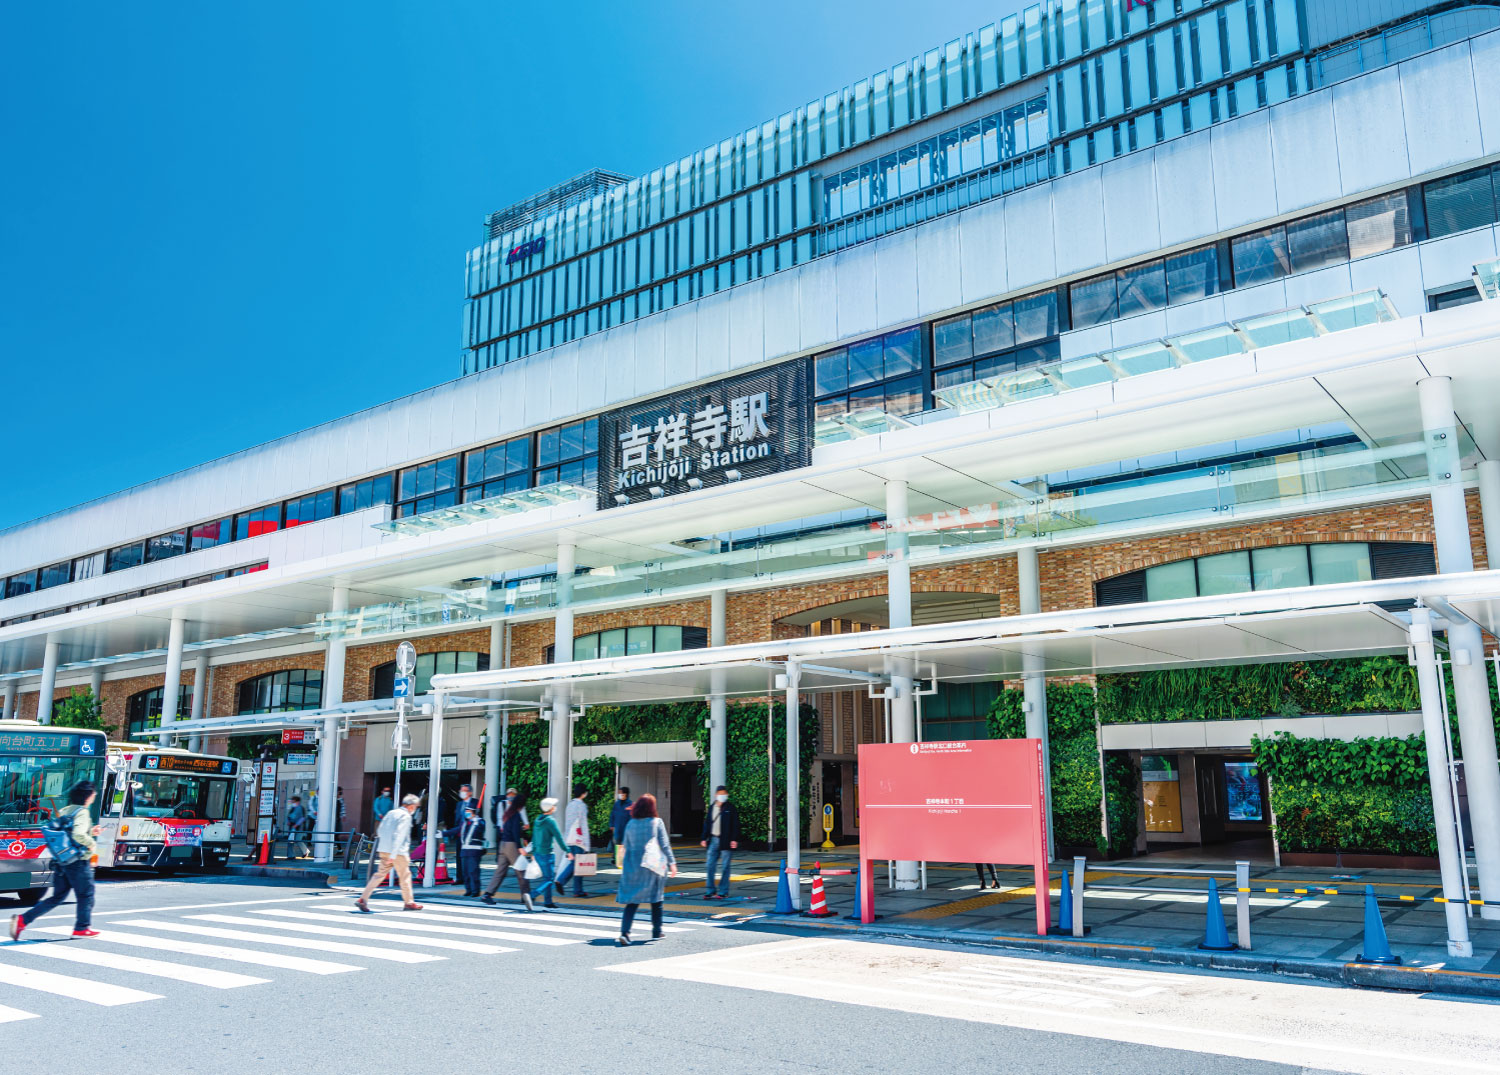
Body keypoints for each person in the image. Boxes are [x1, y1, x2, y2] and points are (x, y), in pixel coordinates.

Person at [10, 780, 101, 941]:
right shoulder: (83, 812)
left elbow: (66, 831)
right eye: (93, 793)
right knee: (86, 894)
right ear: (88, 796)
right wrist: (92, 843)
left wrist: (91, 830)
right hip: (78, 862)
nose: (95, 795)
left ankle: (23, 920)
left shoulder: (66, 810)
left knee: (57, 897)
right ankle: (82, 928)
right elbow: (78, 835)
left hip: (61, 862)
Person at [616, 793, 676, 946]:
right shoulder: (657, 822)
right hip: (652, 868)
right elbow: (664, 845)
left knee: (632, 902)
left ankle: (625, 933)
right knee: (656, 900)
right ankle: (657, 932)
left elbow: (626, 845)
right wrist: (672, 863)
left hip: (633, 868)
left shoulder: (631, 823)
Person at [355, 794, 424, 913]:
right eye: (415, 807)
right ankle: (409, 902)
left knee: (379, 875)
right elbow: (399, 835)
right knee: (405, 876)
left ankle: (363, 898)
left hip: (384, 849)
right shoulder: (405, 816)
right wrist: (393, 854)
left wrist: (386, 847)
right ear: (411, 806)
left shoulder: (391, 813)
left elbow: (380, 830)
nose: (415, 809)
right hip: (398, 852)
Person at [482, 791, 536, 910]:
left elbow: (509, 829)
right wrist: (520, 847)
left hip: (503, 844)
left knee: (500, 871)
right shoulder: (516, 815)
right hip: (511, 845)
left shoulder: (508, 813)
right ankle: (526, 896)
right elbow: (515, 833)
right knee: (522, 870)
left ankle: (488, 894)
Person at [699, 785, 740, 900]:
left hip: (726, 840)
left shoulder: (730, 808)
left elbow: (735, 825)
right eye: (721, 794)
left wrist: (734, 839)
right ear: (716, 795)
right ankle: (710, 890)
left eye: (725, 794)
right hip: (713, 839)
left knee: (725, 866)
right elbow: (707, 823)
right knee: (709, 865)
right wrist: (704, 838)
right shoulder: (712, 807)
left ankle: (723, 891)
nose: (723, 796)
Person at [530, 796, 570, 910]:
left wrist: (533, 852)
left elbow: (534, 837)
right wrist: (568, 851)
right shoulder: (550, 821)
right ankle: (533, 894)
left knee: (546, 878)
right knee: (549, 879)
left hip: (538, 853)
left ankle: (548, 902)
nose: (555, 807)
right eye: (554, 806)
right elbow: (559, 838)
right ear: (550, 808)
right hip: (547, 854)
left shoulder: (538, 819)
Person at [555, 783, 592, 898]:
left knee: (577, 864)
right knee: (577, 864)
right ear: (583, 793)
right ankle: (561, 880)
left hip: (569, 839)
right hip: (579, 840)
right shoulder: (581, 806)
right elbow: (583, 825)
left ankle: (578, 890)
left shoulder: (569, 805)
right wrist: (587, 844)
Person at [445, 803, 486, 897]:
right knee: (466, 872)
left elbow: (481, 829)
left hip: (474, 851)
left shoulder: (479, 821)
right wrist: (443, 833)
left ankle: (475, 890)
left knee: (473, 871)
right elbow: (455, 830)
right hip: (464, 851)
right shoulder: (465, 823)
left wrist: (477, 822)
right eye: (466, 811)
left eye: (468, 811)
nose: (466, 813)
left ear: (473, 812)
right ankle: (469, 889)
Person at [609, 786, 632, 865]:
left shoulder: (630, 804)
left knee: (624, 844)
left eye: (621, 793)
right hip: (617, 827)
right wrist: (611, 824)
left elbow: (631, 817)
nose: (620, 794)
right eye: (619, 793)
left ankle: (623, 859)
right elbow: (612, 815)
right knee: (616, 843)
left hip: (626, 828)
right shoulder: (617, 804)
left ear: (626, 794)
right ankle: (616, 858)